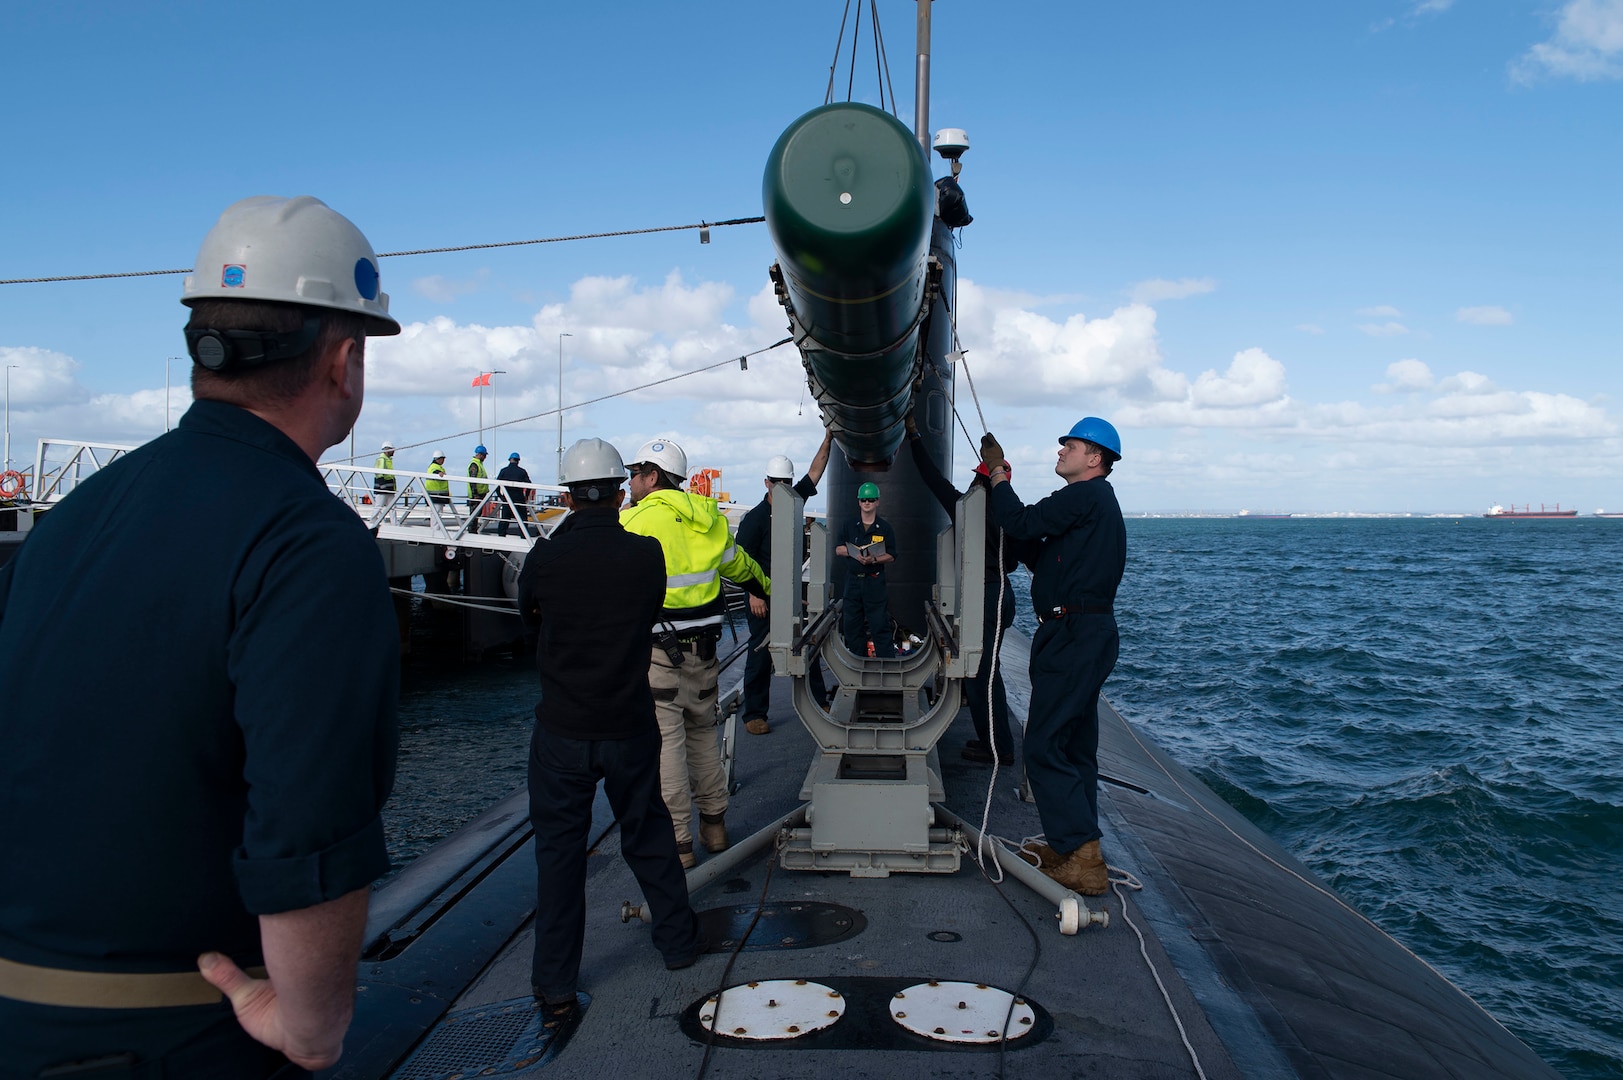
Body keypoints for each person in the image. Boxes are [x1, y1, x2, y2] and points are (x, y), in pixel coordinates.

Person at [0, 195, 402, 1076]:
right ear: (344, 361)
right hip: (177, 1034)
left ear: (202, 348)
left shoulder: (73, 519)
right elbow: (307, 822)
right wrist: (311, 1025)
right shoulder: (307, 541)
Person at [517, 438, 705, 1034]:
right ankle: (678, 945)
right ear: (621, 491)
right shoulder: (645, 555)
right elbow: (649, 607)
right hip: (629, 723)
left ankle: (556, 988)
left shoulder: (543, 559)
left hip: (563, 731)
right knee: (648, 833)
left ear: (568, 494)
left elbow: (530, 619)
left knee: (559, 858)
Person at [980, 418, 1126, 897]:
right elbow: (1035, 552)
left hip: (1073, 634)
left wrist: (998, 476)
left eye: (1072, 445)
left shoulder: (1085, 496)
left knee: (1043, 744)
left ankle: (1081, 856)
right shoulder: (1091, 507)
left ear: (1095, 459)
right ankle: (1078, 849)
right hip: (1082, 633)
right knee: (1074, 746)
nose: (1061, 450)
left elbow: (1021, 522)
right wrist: (1006, 504)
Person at [621, 438, 770, 868]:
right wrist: (770, 589)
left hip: (658, 655)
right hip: (704, 654)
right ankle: (716, 827)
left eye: (636, 474)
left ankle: (681, 846)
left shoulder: (632, 521)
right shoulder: (709, 519)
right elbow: (742, 568)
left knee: (667, 743)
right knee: (704, 734)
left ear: (652, 477)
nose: (630, 482)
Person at [905, 415, 1027, 764]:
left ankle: (999, 748)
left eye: (976, 477)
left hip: (986, 596)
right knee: (984, 671)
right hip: (1000, 594)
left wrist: (914, 438)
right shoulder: (1009, 516)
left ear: (980, 480)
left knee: (983, 673)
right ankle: (992, 741)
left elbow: (932, 478)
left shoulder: (964, 509)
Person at [733, 431, 834, 734]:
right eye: (777, 484)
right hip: (762, 598)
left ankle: (818, 702)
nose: (783, 488)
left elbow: (815, 472)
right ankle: (754, 714)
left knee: (805, 647)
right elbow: (741, 561)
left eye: (787, 484)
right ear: (767, 483)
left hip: (788, 596)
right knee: (760, 653)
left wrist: (829, 437)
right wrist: (753, 595)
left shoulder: (794, 502)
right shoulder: (755, 519)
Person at [834, 481, 897, 658]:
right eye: (864, 500)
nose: (867, 503)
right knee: (852, 626)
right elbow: (838, 549)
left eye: (870, 499)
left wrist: (874, 559)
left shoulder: (884, 528)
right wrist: (854, 552)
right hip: (853, 581)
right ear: (859, 502)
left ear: (877, 502)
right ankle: (857, 663)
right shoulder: (849, 525)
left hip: (874, 580)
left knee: (880, 625)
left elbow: (892, 555)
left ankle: (887, 667)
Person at [496, 451, 533, 538]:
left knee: (504, 520)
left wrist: (500, 496)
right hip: (519, 499)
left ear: (510, 460)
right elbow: (529, 485)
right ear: (518, 461)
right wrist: (526, 496)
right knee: (523, 520)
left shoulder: (504, 471)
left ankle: (501, 536)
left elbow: (497, 485)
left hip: (507, 499)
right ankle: (524, 537)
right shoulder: (522, 472)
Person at [467, 444, 491, 523]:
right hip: (476, 495)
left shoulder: (479, 464)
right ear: (480, 455)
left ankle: (473, 530)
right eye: (484, 455)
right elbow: (472, 481)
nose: (485, 457)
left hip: (480, 494)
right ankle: (472, 531)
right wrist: (475, 495)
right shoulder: (475, 465)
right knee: (474, 515)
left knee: (477, 514)